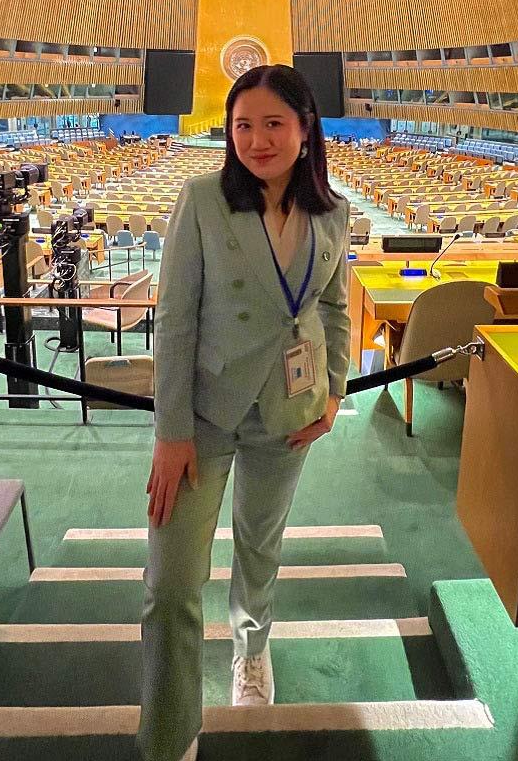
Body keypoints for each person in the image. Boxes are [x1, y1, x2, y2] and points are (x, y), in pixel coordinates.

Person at [138, 64, 351, 761]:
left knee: (260, 547)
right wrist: (170, 433)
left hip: (288, 411)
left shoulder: (332, 210)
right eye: (242, 125)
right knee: (171, 581)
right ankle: (170, 731)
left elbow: (333, 305)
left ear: (304, 127)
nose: (256, 139)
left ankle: (251, 650)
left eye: (272, 123)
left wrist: (334, 390)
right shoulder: (201, 199)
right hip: (202, 414)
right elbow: (172, 322)